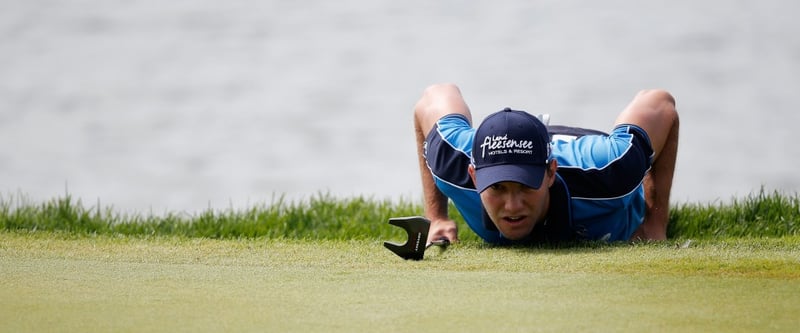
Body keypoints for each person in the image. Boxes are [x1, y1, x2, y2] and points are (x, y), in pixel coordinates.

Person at [413, 83, 679, 245]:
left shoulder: (610, 169)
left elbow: (660, 103)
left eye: (526, 186)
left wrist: (655, 223)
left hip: (584, 148)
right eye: (497, 188)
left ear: (551, 172)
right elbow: (433, 96)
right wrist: (436, 218)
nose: (513, 206)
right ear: (473, 175)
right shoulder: (452, 160)